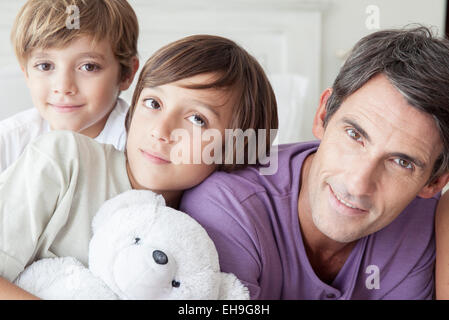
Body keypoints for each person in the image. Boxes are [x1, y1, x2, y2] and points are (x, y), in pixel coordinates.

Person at [180, 26, 449, 300]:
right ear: (323, 114)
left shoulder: (426, 222)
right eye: (355, 135)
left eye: (401, 162)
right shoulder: (227, 209)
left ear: (434, 181)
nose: (357, 184)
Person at [0, 34, 278, 299]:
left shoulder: (204, 241)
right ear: (132, 112)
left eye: (197, 119)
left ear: (236, 149)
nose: (161, 130)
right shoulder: (65, 159)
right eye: (153, 103)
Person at [0, 0, 140, 173]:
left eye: (89, 67)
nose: (63, 87)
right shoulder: (9, 140)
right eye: (45, 66)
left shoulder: (139, 146)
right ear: (26, 74)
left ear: (126, 74)